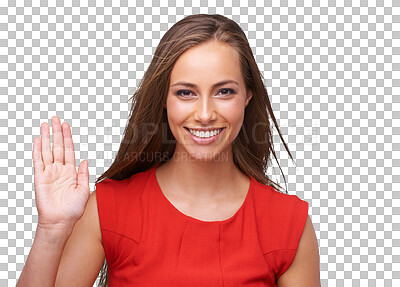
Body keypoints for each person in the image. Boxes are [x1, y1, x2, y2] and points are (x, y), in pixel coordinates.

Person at [17, 14, 320, 286]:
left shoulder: (288, 223)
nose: (204, 114)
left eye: (224, 91)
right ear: (164, 98)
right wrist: (51, 230)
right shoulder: (107, 209)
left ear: (248, 95)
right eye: (185, 93)